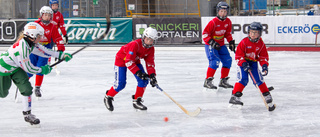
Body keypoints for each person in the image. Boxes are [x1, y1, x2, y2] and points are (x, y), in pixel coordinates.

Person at [0, 22, 72, 125]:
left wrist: (61, 55)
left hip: (16, 68)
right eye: (39, 36)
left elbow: (44, 51)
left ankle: (27, 114)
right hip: (3, 69)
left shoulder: (30, 43)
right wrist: (42, 70)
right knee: (2, 94)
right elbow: (28, 68)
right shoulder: (22, 48)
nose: (41, 38)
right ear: (32, 35)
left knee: (27, 89)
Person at [103, 27, 159, 111]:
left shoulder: (151, 49)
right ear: (144, 37)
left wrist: (152, 76)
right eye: (148, 39)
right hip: (122, 60)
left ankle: (137, 101)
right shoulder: (135, 44)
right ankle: (108, 97)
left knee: (143, 81)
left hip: (135, 60)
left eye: (152, 40)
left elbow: (150, 63)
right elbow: (128, 61)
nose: (149, 42)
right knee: (120, 84)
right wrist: (139, 73)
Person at [228, 22, 273, 107]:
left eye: (255, 32)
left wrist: (264, 66)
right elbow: (238, 56)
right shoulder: (244, 42)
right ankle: (235, 96)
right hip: (243, 63)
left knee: (258, 79)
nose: (253, 34)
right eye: (251, 32)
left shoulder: (261, 44)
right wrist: (244, 64)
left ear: (259, 34)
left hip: (253, 63)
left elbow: (263, 56)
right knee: (243, 79)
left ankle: (266, 94)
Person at [28, 6, 66, 97]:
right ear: (41, 15)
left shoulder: (52, 26)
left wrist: (60, 49)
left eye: (49, 15)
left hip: (45, 48)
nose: (48, 17)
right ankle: (24, 82)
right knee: (30, 66)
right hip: (34, 48)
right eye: (46, 15)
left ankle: (37, 87)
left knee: (41, 67)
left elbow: (58, 38)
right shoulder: (35, 24)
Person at [202, 1, 236, 90]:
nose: (223, 13)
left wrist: (231, 42)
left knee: (228, 60)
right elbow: (205, 34)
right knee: (215, 61)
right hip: (211, 45)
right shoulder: (213, 22)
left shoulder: (228, 21)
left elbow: (227, 34)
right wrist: (212, 42)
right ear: (218, 11)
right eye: (221, 11)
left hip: (221, 44)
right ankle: (208, 81)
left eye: (225, 11)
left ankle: (223, 81)